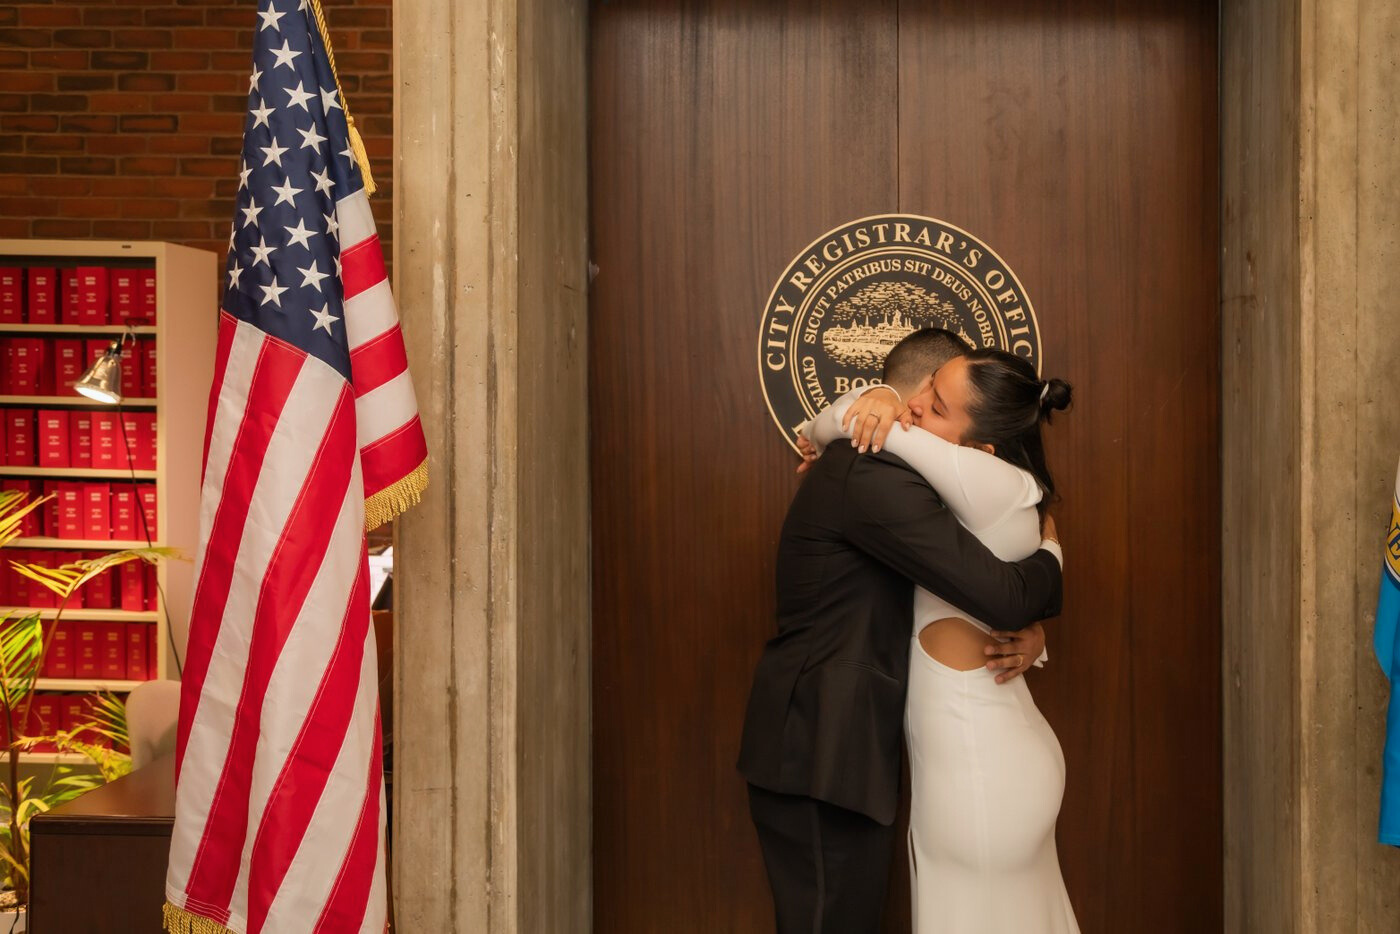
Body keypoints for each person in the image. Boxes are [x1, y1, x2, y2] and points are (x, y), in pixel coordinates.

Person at [737, 328, 1064, 934]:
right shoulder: (870, 472)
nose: (912, 412)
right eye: (925, 399)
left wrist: (1034, 638)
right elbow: (1001, 593)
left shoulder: (917, 481)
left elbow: (964, 591)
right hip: (821, 749)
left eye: (935, 408)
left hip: (840, 751)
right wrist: (1052, 552)